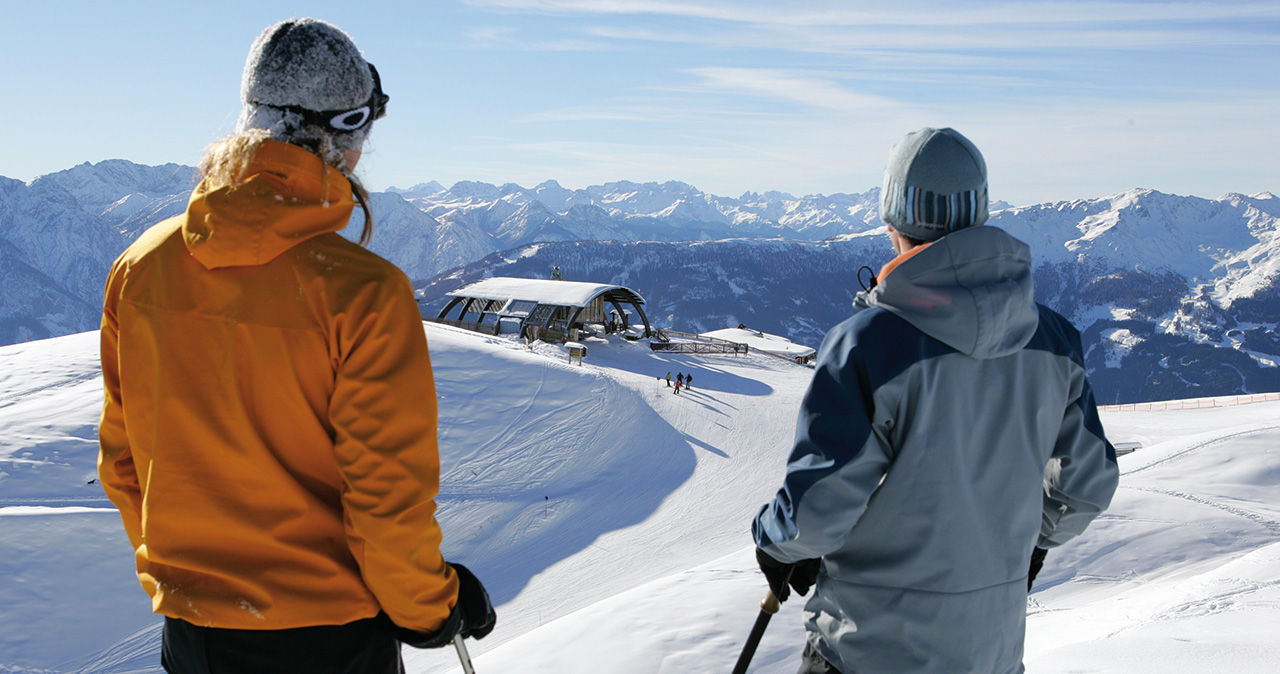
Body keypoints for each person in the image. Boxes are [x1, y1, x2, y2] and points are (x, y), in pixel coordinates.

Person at [97, 19, 494, 674]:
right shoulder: (362, 294)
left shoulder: (141, 268)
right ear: (342, 134)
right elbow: (384, 504)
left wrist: (193, 582)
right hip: (325, 641)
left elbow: (124, 463)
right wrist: (435, 608)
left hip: (191, 637)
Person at [751, 127, 1119, 674]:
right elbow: (1087, 486)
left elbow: (815, 512)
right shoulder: (1055, 341)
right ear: (980, 212)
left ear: (893, 220)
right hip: (991, 655)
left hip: (865, 651)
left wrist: (773, 541)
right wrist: (1034, 543)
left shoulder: (869, 345)